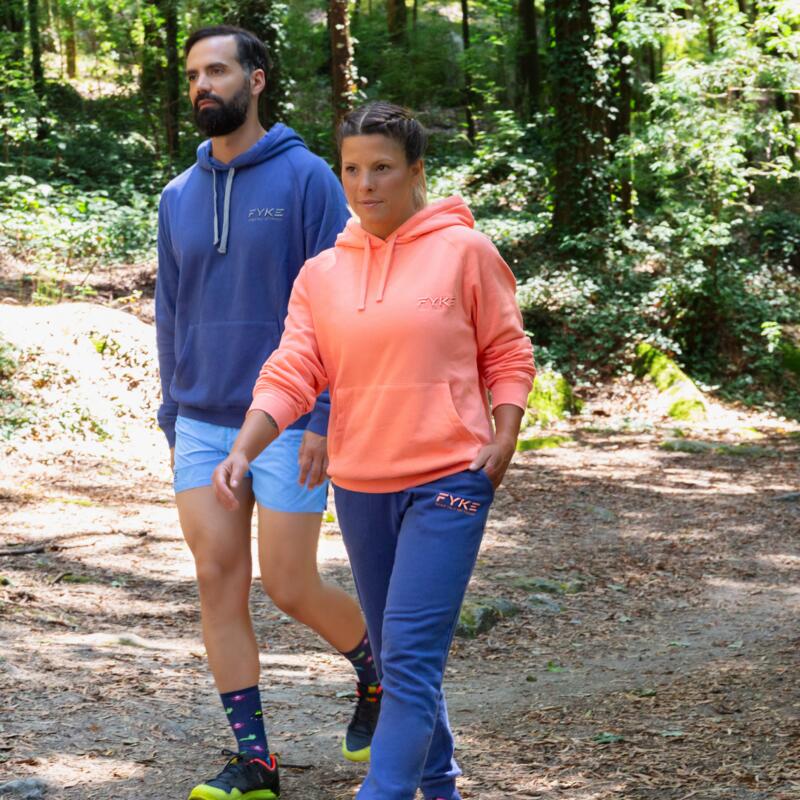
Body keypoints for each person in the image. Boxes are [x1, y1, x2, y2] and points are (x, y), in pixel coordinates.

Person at [211, 101, 536, 800]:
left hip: (450, 476)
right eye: (353, 169)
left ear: (417, 172)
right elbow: (294, 369)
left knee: (411, 658)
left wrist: (504, 434)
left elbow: (507, 349)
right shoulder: (322, 274)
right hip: (361, 484)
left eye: (383, 167)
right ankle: (439, 783)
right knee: (394, 652)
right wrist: (246, 447)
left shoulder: (465, 253)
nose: (365, 184)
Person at [155, 26, 382, 800]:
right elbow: (170, 309)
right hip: (200, 418)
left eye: (217, 70)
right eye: (193, 74)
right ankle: (256, 762)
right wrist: (169, 410)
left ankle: (374, 668)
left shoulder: (308, 179)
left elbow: (339, 305)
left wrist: (323, 415)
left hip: (288, 417)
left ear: (255, 80)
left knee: (288, 583)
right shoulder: (177, 196)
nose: (202, 85)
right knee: (218, 577)